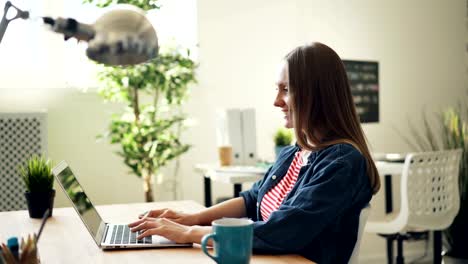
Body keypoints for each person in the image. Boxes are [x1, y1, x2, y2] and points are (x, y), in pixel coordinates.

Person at [128, 42, 380, 263]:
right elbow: (252, 199)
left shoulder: (342, 163)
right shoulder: (294, 153)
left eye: (286, 90)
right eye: (277, 89)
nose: (276, 101)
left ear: (317, 94)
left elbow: (282, 232)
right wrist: (191, 219)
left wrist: (187, 234)